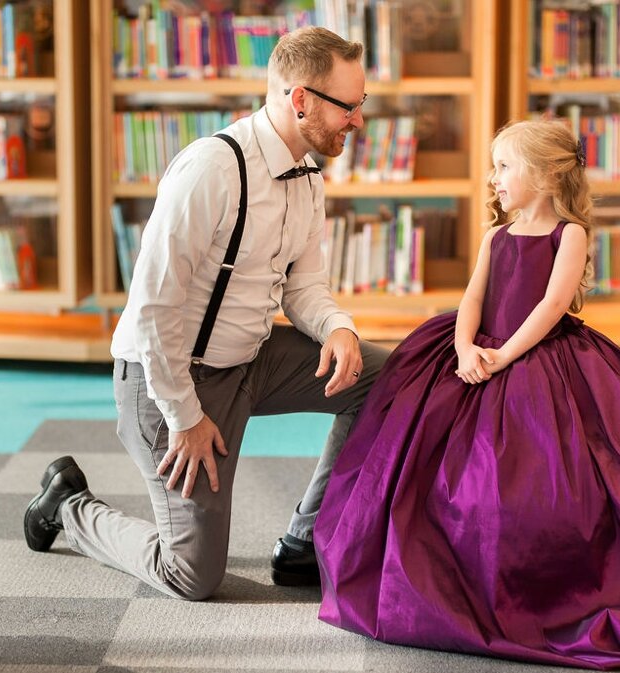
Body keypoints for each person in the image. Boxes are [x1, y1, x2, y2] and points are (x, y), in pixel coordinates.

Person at [314, 119, 620, 668]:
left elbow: (550, 307)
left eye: (504, 167)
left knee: (543, 475)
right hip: (477, 353)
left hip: (538, 357)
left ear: (542, 174)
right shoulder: (496, 235)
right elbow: (472, 298)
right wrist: (466, 349)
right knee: (424, 460)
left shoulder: (571, 234)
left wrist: (502, 357)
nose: (493, 179)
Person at [23, 26, 389, 600]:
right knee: (191, 574)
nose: (358, 121)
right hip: (168, 379)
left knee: (387, 378)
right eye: (349, 107)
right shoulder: (212, 171)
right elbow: (151, 310)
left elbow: (305, 287)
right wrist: (184, 416)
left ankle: (305, 539)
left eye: (361, 105)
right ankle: (68, 507)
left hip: (250, 361)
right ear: (300, 100)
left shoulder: (308, 178)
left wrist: (337, 327)